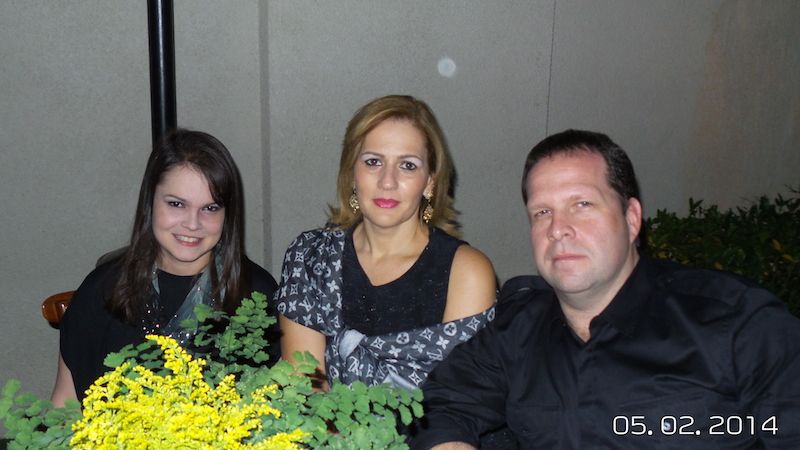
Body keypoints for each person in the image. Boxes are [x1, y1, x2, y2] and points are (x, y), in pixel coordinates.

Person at [413, 129, 800, 449]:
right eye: (542, 212)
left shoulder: (738, 323)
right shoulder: (517, 331)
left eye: (582, 204)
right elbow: (435, 405)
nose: (558, 228)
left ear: (632, 219)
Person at [275, 95, 496, 391]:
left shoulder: (467, 272)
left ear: (430, 182)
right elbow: (305, 390)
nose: (387, 181)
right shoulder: (311, 256)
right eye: (373, 162)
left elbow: (456, 403)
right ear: (352, 173)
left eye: (408, 165)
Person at [50, 129, 279, 406]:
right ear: (150, 201)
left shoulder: (257, 298)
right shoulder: (102, 290)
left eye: (210, 208)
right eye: (176, 204)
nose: (192, 224)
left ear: (227, 214)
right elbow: (64, 408)